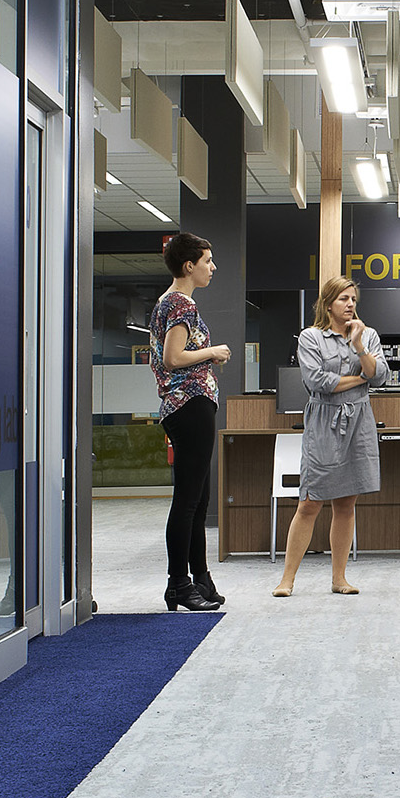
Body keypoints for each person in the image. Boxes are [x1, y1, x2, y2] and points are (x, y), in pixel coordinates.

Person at [274, 276, 382, 597]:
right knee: (309, 502)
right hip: (324, 421)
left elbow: (380, 376)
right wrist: (360, 377)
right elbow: (318, 381)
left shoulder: (368, 335)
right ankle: (287, 579)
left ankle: (339, 578)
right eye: (343, 299)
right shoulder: (311, 337)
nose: (350, 305)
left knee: (347, 503)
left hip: (359, 421)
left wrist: (360, 347)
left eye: (353, 299)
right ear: (328, 304)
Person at [153, 233, 230, 610]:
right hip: (189, 405)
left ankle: (199, 577)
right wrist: (212, 351)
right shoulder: (180, 304)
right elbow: (172, 357)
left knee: (198, 500)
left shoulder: (171, 303)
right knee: (188, 500)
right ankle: (179, 583)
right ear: (189, 266)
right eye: (208, 260)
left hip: (190, 406)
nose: (212, 267)